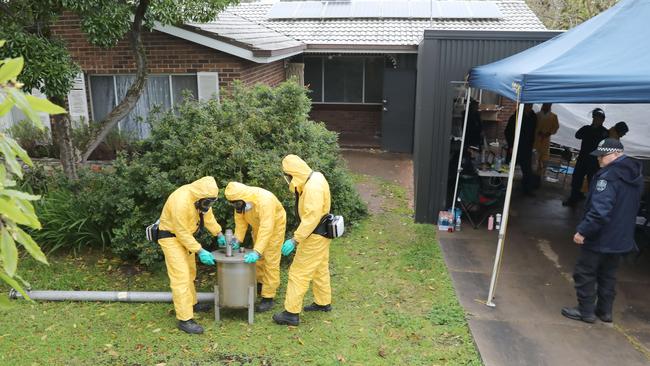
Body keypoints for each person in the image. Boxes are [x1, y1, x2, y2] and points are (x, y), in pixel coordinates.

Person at [562, 138, 643, 323]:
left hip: (601, 236)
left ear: (617, 154)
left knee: (584, 272)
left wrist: (583, 231)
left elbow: (600, 211)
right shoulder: (635, 175)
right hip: (621, 237)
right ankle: (605, 311)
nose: (599, 160)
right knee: (608, 274)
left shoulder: (608, 177)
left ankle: (586, 311)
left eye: (602, 156)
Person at [157, 176, 227, 334]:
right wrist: (200, 250)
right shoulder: (180, 201)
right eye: (207, 202)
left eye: (211, 202)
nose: (208, 205)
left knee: (190, 273)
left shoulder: (202, 200)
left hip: (186, 238)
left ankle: (192, 303)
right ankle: (185, 319)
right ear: (199, 198)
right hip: (170, 238)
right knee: (180, 277)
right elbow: (181, 232)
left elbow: (208, 217)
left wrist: (219, 233)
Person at [273, 155, 332, 326]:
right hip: (321, 233)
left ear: (293, 173)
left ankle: (290, 313)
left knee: (298, 273)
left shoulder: (312, 188)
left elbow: (311, 218)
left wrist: (295, 240)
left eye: (287, 175)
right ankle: (323, 302)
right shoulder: (314, 177)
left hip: (313, 235)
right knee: (320, 268)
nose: (287, 179)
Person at [224, 182, 286, 313]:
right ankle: (260, 283)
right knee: (259, 259)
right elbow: (240, 222)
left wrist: (257, 251)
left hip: (274, 227)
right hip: (258, 226)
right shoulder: (240, 202)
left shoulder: (265, 201)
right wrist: (237, 238)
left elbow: (267, 227)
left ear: (244, 198)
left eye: (237, 204)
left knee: (270, 259)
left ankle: (268, 297)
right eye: (233, 204)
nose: (236, 206)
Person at [563, 108, 609, 207]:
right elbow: (577, 135)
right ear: (593, 118)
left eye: (599, 118)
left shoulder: (604, 132)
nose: (597, 120)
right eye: (595, 118)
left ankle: (592, 205)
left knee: (592, 183)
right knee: (576, 180)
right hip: (583, 158)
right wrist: (589, 129)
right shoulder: (586, 128)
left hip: (594, 161)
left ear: (602, 120)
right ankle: (573, 200)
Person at [504, 103, 537, 195]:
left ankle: (527, 190)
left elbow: (533, 132)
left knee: (527, 170)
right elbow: (507, 132)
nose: (529, 107)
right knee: (507, 168)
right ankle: (502, 187)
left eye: (531, 106)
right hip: (515, 147)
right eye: (528, 106)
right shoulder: (515, 117)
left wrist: (531, 145)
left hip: (526, 148)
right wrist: (511, 145)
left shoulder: (533, 117)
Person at [533, 103, 560, 176]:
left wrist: (549, 133)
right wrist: (538, 132)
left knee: (544, 159)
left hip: (546, 140)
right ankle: (532, 175)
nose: (547, 106)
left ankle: (539, 176)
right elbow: (532, 126)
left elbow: (556, 127)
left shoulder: (554, 116)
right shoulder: (537, 115)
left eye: (549, 105)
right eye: (545, 104)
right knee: (534, 158)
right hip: (536, 140)